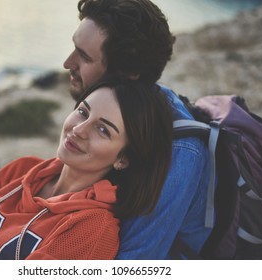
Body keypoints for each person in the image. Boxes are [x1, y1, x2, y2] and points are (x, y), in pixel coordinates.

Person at [0, 79, 173, 260]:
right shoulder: (22, 170)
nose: (79, 129)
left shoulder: (91, 230)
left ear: (124, 159)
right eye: (83, 111)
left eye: (103, 129)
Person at [63, 0, 212, 259]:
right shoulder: (112, 105)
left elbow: (136, 262)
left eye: (84, 57)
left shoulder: (179, 151)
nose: (67, 63)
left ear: (128, 73)